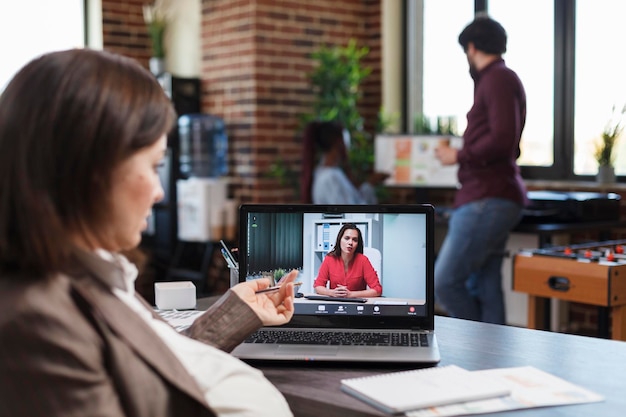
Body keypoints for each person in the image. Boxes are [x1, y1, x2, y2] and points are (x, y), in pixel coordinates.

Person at [0, 49, 298, 417]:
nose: (159, 192)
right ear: (91, 170)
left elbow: (155, 363)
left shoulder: (94, 271)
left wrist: (239, 312)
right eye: (153, 165)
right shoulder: (35, 322)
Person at [433, 16, 528, 325]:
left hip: (486, 197)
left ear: (471, 48)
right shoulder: (500, 80)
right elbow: (509, 144)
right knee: (483, 284)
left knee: (444, 282)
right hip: (494, 195)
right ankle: (491, 361)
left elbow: (503, 140)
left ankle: (475, 346)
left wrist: (458, 155)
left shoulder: (497, 78)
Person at [300, 120, 387, 204]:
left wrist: (370, 183)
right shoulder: (331, 177)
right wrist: (370, 185)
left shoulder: (324, 173)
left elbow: (354, 202)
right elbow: (353, 213)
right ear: (339, 142)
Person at [314, 224, 382, 298]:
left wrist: (351, 294)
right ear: (340, 240)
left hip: (357, 305)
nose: (350, 243)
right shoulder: (329, 259)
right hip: (335, 303)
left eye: (355, 240)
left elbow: (377, 290)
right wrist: (332, 293)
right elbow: (318, 286)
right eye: (347, 238)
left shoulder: (363, 260)